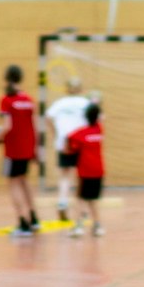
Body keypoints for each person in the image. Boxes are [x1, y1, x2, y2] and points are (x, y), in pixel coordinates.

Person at [0, 64, 41, 237]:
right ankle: (33, 218)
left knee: (13, 184)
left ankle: (22, 222)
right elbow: (34, 126)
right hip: (27, 149)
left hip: (12, 151)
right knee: (24, 181)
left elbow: (7, 127)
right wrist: (35, 149)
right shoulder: (28, 100)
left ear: (6, 78)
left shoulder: (6, 99)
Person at [44, 77, 92, 220]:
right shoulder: (86, 103)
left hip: (64, 142)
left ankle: (62, 203)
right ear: (80, 89)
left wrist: (56, 134)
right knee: (82, 176)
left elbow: (47, 117)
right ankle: (82, 208)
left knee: (65, 175)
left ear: (66, 89)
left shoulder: (60, 103)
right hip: (81, 143)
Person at [66, 102, 106, 237]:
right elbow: (101, 118)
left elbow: (70, 138)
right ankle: (97, 226)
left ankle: (78, 226)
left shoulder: (81, 133)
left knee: (80, 199)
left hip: (86, 172)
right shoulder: (100, 130)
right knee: (93, 200)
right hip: (99, 171)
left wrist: (68, 149)